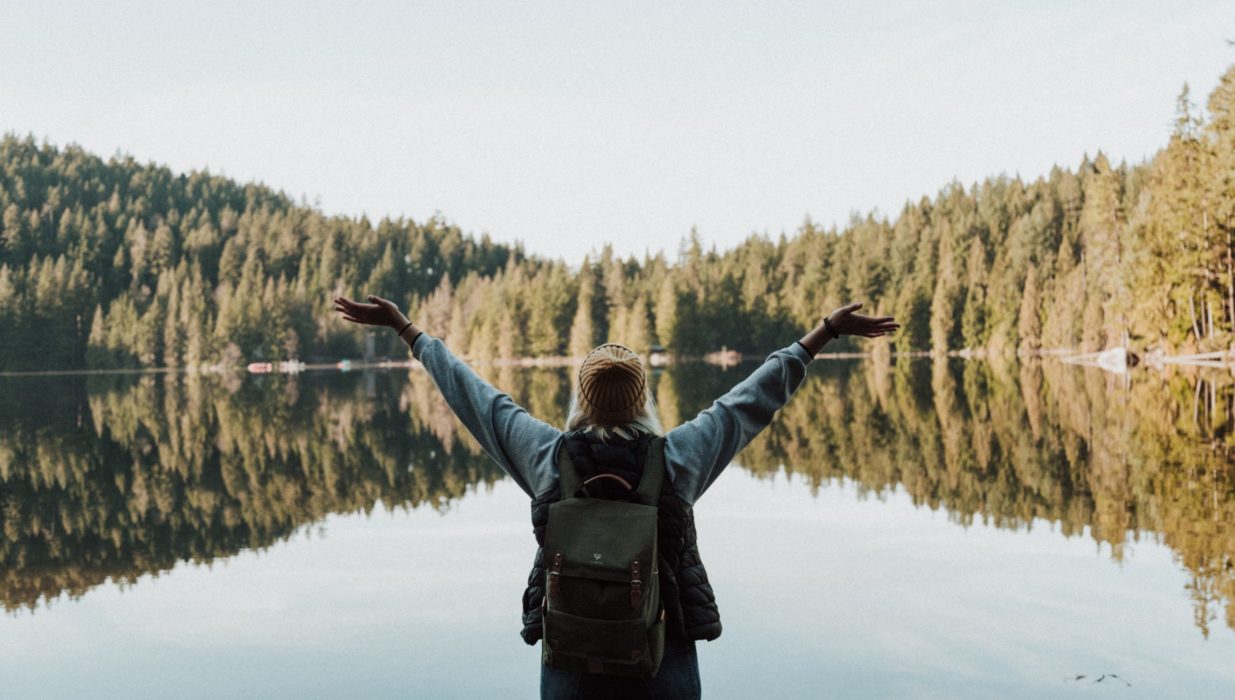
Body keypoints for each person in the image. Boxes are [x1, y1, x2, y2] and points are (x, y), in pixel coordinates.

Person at [332, 294, 898, 699]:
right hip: (662, 653)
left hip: (573, 656)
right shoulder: (677, 459)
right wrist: (825, 331)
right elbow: (752, 399)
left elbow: (475, 398)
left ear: (581, 399)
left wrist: (408, 330)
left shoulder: (549, 458)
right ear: (642, 400)